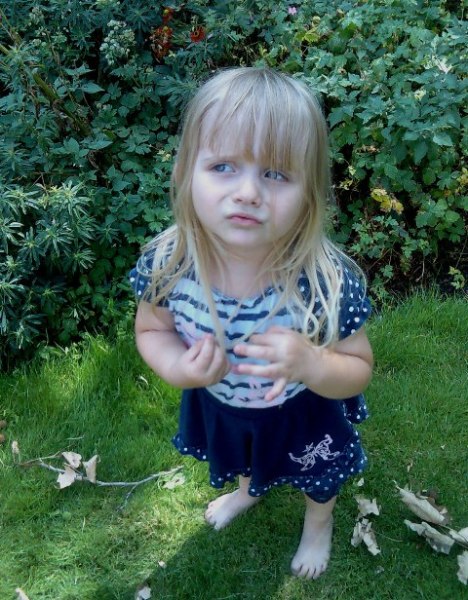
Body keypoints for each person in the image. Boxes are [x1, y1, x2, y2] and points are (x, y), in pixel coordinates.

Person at [129, 67, 373, 580]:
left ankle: (318, 522)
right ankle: (248, 491)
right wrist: (178, 368)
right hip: (222, 404)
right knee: (243, 456)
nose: (247, 192)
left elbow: (357, 368)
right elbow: (152, 330)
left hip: (302, 410)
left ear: (310, 193)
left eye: (276, 174)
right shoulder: (170, 265)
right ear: (185, 173)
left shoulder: (322, 281)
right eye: (223, 166)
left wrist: (312, 363)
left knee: (317, 473)